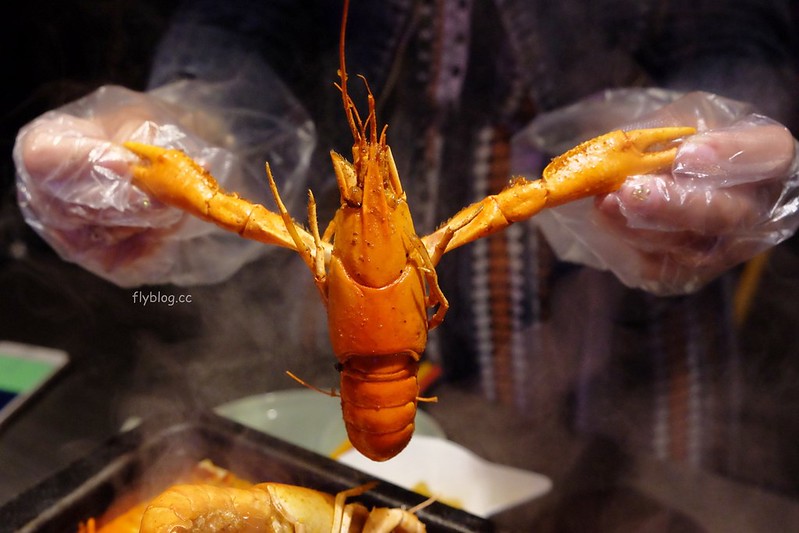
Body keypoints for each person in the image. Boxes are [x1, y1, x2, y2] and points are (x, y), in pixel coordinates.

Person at [12, 0, 799, 517]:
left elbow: (733, 22)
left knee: (611, 508)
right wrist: (189, 118)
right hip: (371, 355)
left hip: (606, 301)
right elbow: (243, 15)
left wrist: (713, 116)